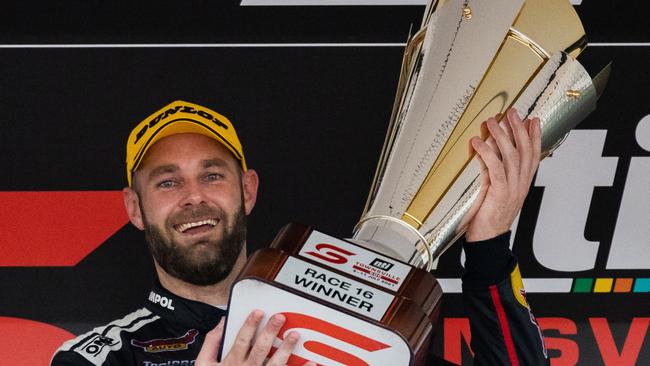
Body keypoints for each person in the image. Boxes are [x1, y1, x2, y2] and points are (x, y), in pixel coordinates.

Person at [51, 100, 548, 365]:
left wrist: (489, 245)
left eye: (212, 174)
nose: (193, 196)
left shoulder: (353, 325)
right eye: (167, 182)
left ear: (247, 190)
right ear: (134, 208)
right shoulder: (100, 360)